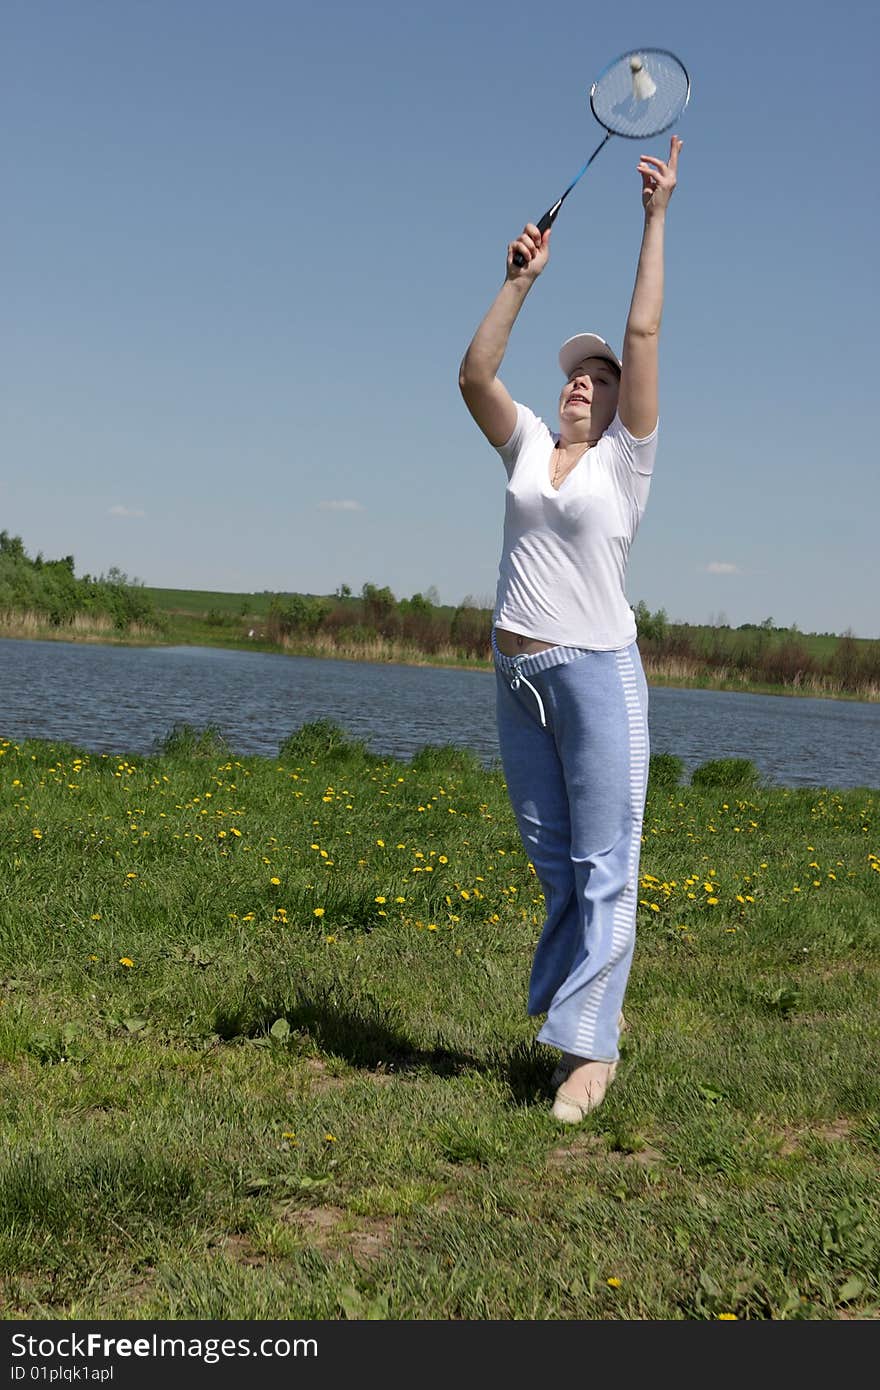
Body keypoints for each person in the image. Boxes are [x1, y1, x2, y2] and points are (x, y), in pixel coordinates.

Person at [459, 135, 683, 1122]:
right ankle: (575, 1016)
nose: (580, 382)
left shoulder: (621, 464)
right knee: (556, 862)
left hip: (595, 673)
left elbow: (641, 337)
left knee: (605, 861)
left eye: (593, 376)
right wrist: (517, 282)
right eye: (573, 376)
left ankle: (591, 1054)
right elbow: (472, 376)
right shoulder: (528, 449)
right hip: (515, 674)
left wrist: (654, 216)